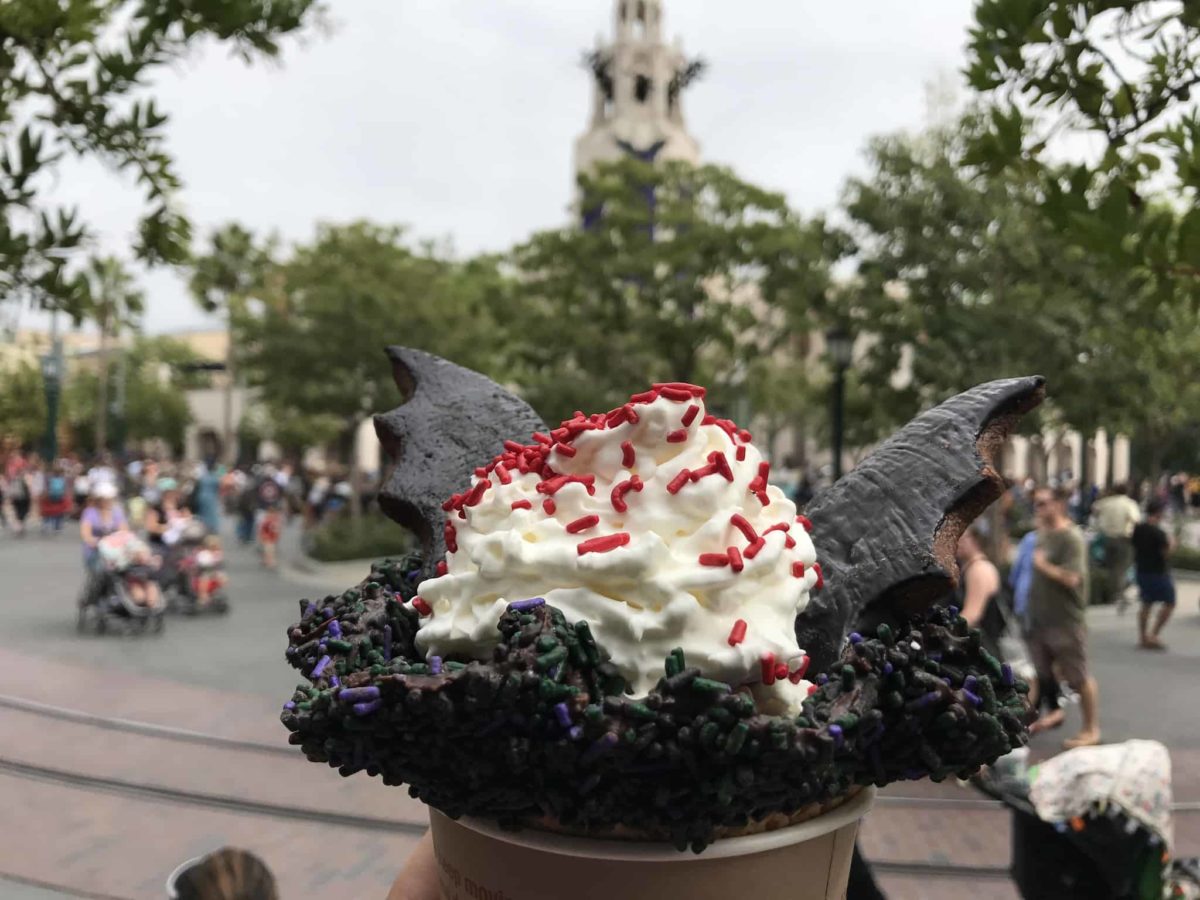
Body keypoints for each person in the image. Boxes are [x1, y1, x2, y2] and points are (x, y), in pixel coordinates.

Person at [1026, 485, 1100, 749]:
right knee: (1042, 675)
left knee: (1078, 677)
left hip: (1066, 621)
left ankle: (1091, 729)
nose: (1039, 509)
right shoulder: (1043, 535)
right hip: (1040, 620)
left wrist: (1044, 566)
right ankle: (1034, 720)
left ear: (1059, 504)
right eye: (1036, 504)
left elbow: (1072, 578)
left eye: (1044, 503)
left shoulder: (1071, 538)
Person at [955, 524, 1006, 659]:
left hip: (986, 645)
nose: (958, 543)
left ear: (976, 541)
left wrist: (948, 629)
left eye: (963, 538)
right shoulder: (970, 568)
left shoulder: (978, 569)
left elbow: (972, 614)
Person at [1132, 499, 1175, 650]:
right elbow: (1166, 553)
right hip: (1158, 572)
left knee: (1146, 603)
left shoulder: (1138, 529)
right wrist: (1172, 544)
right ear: (1158, 513)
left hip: (1141, 569)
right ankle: (1154, 634)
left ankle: (1143, 636)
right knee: (1170, 602)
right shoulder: (1159, 532)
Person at [1091, 484, 1141, 608]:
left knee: (1109, 566)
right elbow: (1135, 519)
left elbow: (1094, 509)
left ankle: (1109, 591)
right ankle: (1118, 594)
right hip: (1123, 538)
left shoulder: (1106, 502)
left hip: (1106, 537)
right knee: (1121, 567)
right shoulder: (1129, 504)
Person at [80, 482, 128, 572]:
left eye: (109, 499)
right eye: (104, 499)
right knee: (100, 571)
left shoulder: (117, 512)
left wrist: (115, 541)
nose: (107, 502)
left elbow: (124, 531)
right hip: (95, 551)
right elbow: (86, 534)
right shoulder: (90, 512)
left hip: (115, 549)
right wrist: (95, 541)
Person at [40, 463, 71, 533]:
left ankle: (49, 524)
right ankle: (56, 525)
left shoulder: (50, 478)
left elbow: (46, 487)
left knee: (50, 510)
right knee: (57, 511)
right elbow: (65, 489)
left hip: (53, 496)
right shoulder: (62, 479)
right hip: (57, 496)